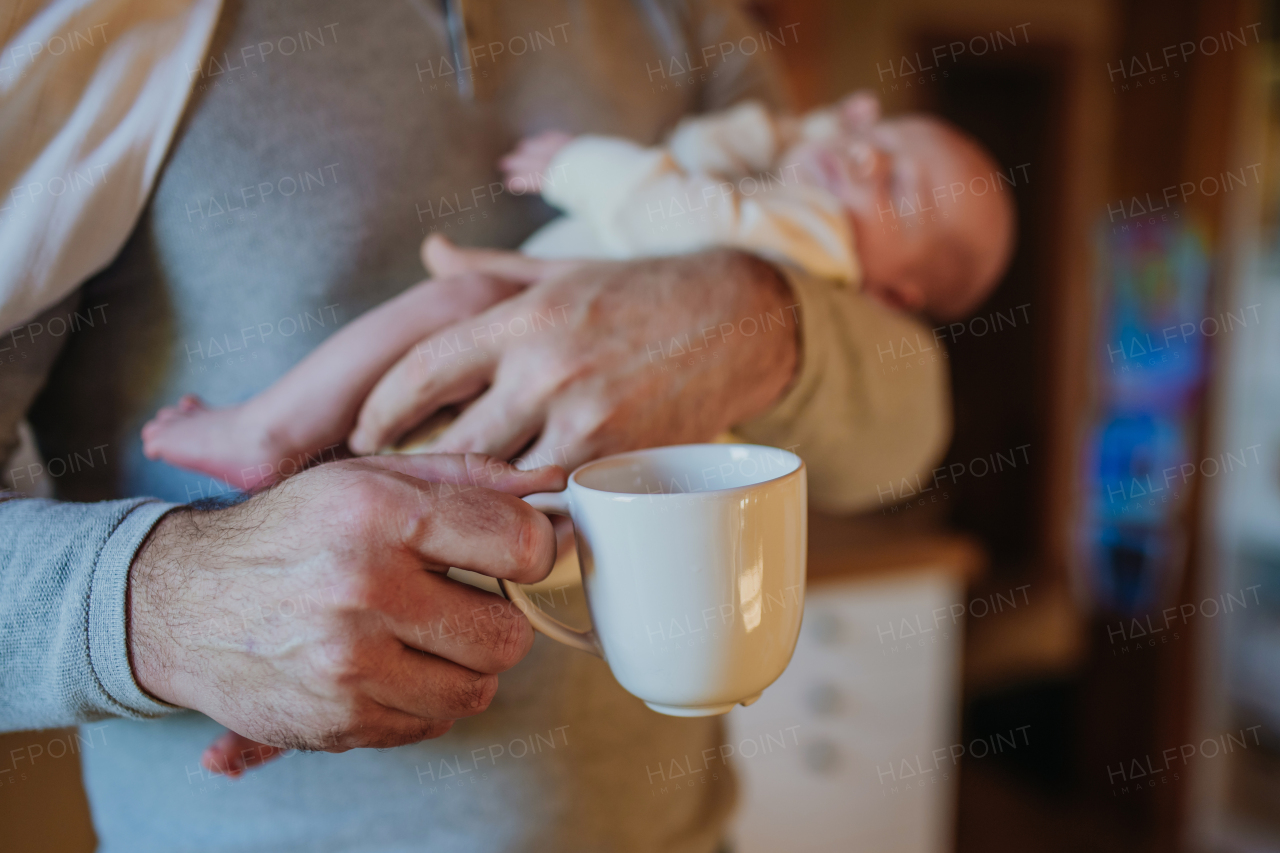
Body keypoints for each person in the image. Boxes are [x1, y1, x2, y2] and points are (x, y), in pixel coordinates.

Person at [1, 1, 959, 851]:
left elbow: (909, 428)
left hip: (673, 831)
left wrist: (753, 318)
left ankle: (265, 447)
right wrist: (168, 609)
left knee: (477, 542)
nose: (873, 161)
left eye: (902, 183)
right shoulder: (90, 26)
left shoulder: (695, 24)